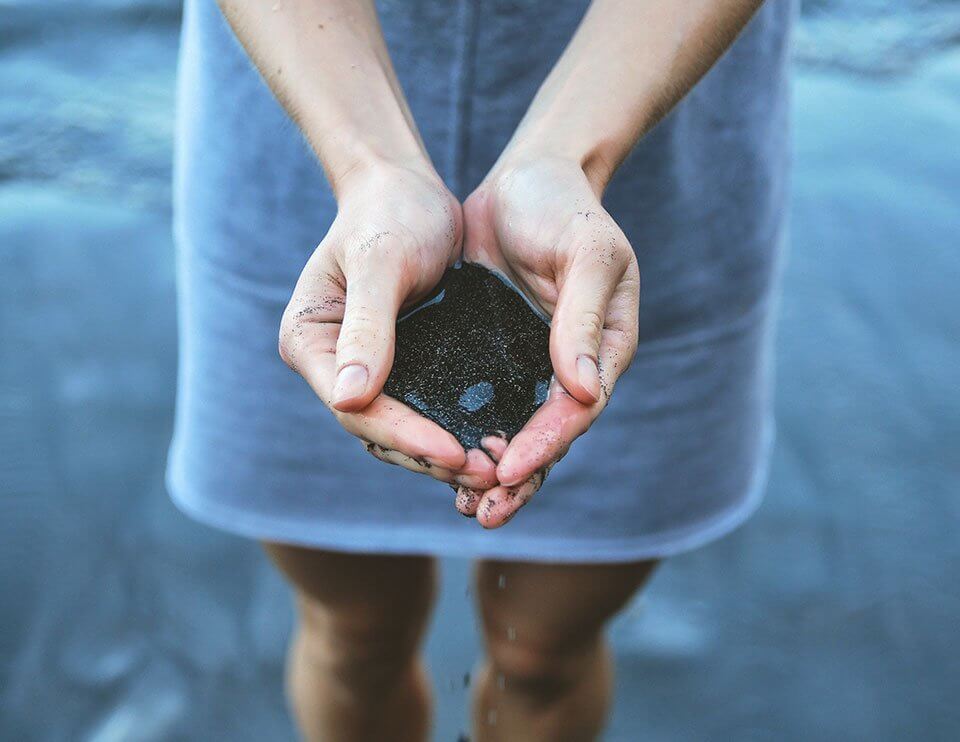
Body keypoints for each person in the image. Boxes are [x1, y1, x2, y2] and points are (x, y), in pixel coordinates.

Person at [167, 0, 794, 739]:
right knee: (352, 633)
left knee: (545, 652)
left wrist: (570, 157)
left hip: (648, 130)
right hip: (308, 116)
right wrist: (370, 166)